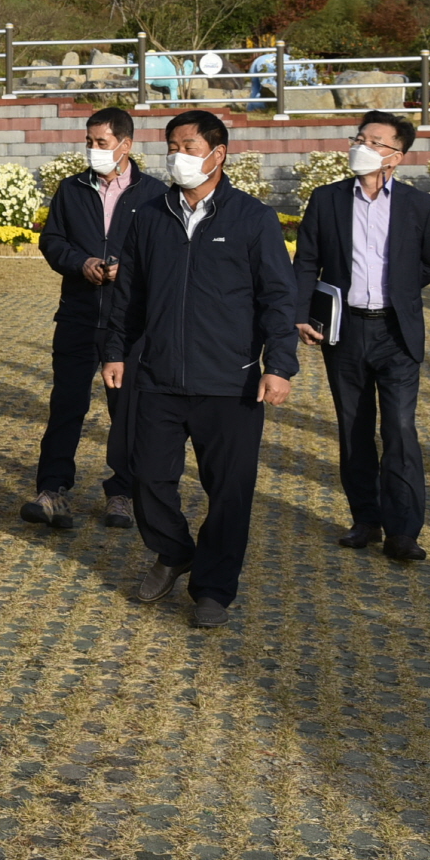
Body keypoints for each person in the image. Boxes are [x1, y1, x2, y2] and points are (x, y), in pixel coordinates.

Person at [102, 110, 295, 628]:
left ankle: (213, 589)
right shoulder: (148, 215)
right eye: (172, 146)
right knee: (145, 477)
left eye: (189, 146)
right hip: (158, 376)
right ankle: (173, 551)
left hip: (229, 382)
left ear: (218, 153)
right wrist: (115, 351)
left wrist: (279, 365)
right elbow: (128, 296)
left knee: (229, 490)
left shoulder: (253, 219)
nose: (178, 156)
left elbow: (279, 299)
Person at [293, 110, 430, 560]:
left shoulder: (421, 206)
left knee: (399, 428)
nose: (360, 146)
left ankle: (404, 530)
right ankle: (366, 519)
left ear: (395, 157)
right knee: (353, 427)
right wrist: (303, 313)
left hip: (397, 333)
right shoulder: (326, 200)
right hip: (344, 331)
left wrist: (399, 290)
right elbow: (306, 261)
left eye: (375, 141)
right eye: (359, 137)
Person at [27, 107, 165, 532]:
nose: (93, 150)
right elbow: (52, 240)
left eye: (101, 143)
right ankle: (52, 489)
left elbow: (165, 254)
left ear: (125, 145)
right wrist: (80, 262)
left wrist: (130, 270)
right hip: (78, 315)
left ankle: (122, 492)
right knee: (66, 404)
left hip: (128, 323)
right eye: (89, 141)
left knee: (125, 411)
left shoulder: (155, 194)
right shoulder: (71, 190)